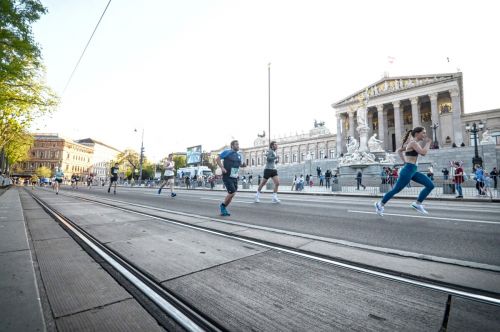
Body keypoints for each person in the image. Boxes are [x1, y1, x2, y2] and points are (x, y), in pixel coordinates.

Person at [374, 127, 434, 216]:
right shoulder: (413, 143)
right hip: (408, 170)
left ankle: (417, 204)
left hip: (412, 170)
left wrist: (404, 161)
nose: (425, 135)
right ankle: (380, 204)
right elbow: (423, 153)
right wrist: (428, 143)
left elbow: (399, 150)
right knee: (396, 190)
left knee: (430, 185)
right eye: (423, 133)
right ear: (417, 134)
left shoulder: (413, 144)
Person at [216, 140, 246, 216]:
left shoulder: (238, 155)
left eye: (238, 144)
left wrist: (243, 165)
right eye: (236, 144)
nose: (238, 146)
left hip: (234, 176)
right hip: (227, 176)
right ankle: (222, 206)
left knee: (232, 194)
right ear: (232, 146)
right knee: (232, 192)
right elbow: (217, 159)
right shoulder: (227, 152)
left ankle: (224, 208)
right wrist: (222, 168)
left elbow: (238, 165)